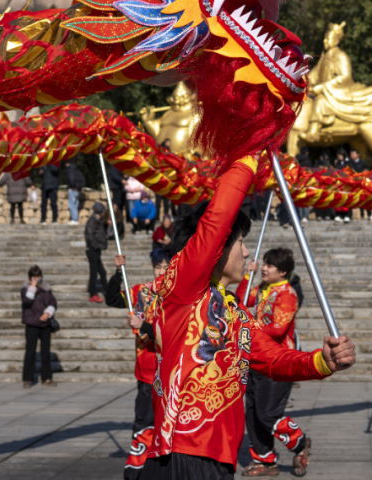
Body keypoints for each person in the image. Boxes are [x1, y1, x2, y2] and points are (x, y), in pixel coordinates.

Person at [142, 157, 356, 479]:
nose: (246, 253)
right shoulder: (183, 290)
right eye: (240, 243)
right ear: (215, 248)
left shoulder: (235, 312)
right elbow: (216, 222)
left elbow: (272, 359)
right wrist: (247, 155)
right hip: (182, 450)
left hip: (220, 457)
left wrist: (322, 362)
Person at [234, 248, 313, 477]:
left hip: (279, 361)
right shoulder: (262, 290)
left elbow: (277, 330)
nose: (264, 268)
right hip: (255, 358)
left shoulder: (287, 295)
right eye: (265, 264)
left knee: (268, 413)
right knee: (252, 412)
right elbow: (242, 298)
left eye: (269, 265)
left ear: (283, 272)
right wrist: (248, 276)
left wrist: (249, 328)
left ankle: (299, 442)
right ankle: (265, 460)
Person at [106, 248, 170, 480]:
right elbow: (112, 298)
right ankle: (136, 469)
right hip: (146, 370)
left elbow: (172, 333)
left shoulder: (178, 294)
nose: (161, 271)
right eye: (158, 267)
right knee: (143, 420)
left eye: (166, 267)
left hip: (171, 371)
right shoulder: (141, 291)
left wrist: (142, 325)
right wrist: (117, 271)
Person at [21, 264, 56, 387]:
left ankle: (47, 378)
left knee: (45, 352)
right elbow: (27, 301)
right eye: (34, 277)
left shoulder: (46, 288)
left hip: (45, 323)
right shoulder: (25, 289)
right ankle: (28, 379)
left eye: (38, 277)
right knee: (30, 352)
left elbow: (53, 302)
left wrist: (48, 313)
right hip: (32, 324)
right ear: (30, 278)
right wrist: (33, 287)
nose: (37, 279)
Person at [84, 202, 110, 303]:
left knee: (102, 272)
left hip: (96, 250)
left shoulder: (98, 220)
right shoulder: (92, 221)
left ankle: (107, 292)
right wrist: (98, 246)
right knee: (94, 273)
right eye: (103, 210)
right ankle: (92, 294)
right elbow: (90, 237)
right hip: (92, 250)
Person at [66, 161, 86, 226]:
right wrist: (80, 187)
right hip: (77, 190)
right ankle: (75, 219)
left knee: (72, 205)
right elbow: (83, 179)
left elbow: (71, 179)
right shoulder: (76, 170)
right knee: (75, 204)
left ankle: (74, 219)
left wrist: (73, 186)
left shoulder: (70, 170)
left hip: (73, 189)